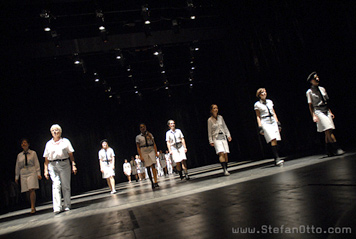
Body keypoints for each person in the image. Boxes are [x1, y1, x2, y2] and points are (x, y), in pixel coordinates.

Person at [306, 72, 345, 156]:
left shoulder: (322, 89)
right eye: (315, 78)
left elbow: (326, 102)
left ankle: (328, 150)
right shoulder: (309, 92)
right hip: (318, 111)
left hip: (326, 110)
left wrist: (330, 111)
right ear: (311, 81)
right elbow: (310, 105)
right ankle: (336, 148)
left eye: (317, 77)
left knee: (328, 130)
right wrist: (313, 115)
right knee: (327, 129)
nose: (317, 79)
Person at [43, 124, 77, 214]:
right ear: (51, 132)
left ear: (60, 131)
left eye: (57, 130)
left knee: (65, 185)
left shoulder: (65, 141)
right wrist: (45, 170)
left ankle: (67, 205)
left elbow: (71, 155)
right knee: (56, 185)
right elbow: (46, 158)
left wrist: (73, 164)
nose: (55, 132)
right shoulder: (48, 143)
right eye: (53, 130)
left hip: (64, 163)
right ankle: (57, 207)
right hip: (52, 164)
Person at [254, 89, 284, 166]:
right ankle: (277, 158)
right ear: (259, 95)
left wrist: (277, 122)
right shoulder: (257, 104)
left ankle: (276, 157)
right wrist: (260, 126)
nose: (263, 93)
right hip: (265, 121)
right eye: (261, 93)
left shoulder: (270, 101)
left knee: (276, 139)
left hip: (273, 120)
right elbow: (258, 116)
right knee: (272, 138)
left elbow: (273, 112)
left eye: (264, 92)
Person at [15, 139, 42, 214]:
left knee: (31, 189)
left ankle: (33, 206)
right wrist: (16, 176)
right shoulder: (19, 155)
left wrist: (38, 173)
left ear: (28, 144)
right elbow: (17, 166)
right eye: (22, 143)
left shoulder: (33, 153)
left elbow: (36, 163)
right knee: (27, 190)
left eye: (25, 143)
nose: (24, 144)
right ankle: (31, 204)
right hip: (23, 173)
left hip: (31, 171)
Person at [207, 104, 232, 175]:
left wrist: (228, 135)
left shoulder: (220, 117)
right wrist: (210, 140)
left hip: (223, 136)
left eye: (216, 108)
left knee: (226, 153)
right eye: (214, 108)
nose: (216, 109)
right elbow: (209, 131)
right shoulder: (210, 120)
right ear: (211, 110)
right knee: (221, 153)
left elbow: (224, 126)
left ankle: (226, 168)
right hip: (216, 138)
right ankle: (224, 170)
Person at [136, 123, 159, 189]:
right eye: (141, 127)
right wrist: (140, 156)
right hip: (144, 150)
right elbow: (138, 147)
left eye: (143, 127)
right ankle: (151, 181)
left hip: (151, 149)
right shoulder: (138, 137)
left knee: (153, 165)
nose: (143, 128)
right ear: (140, 129)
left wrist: (156, 152)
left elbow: (154, 143)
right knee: (148, 166)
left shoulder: (150, 134)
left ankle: (156, 181)